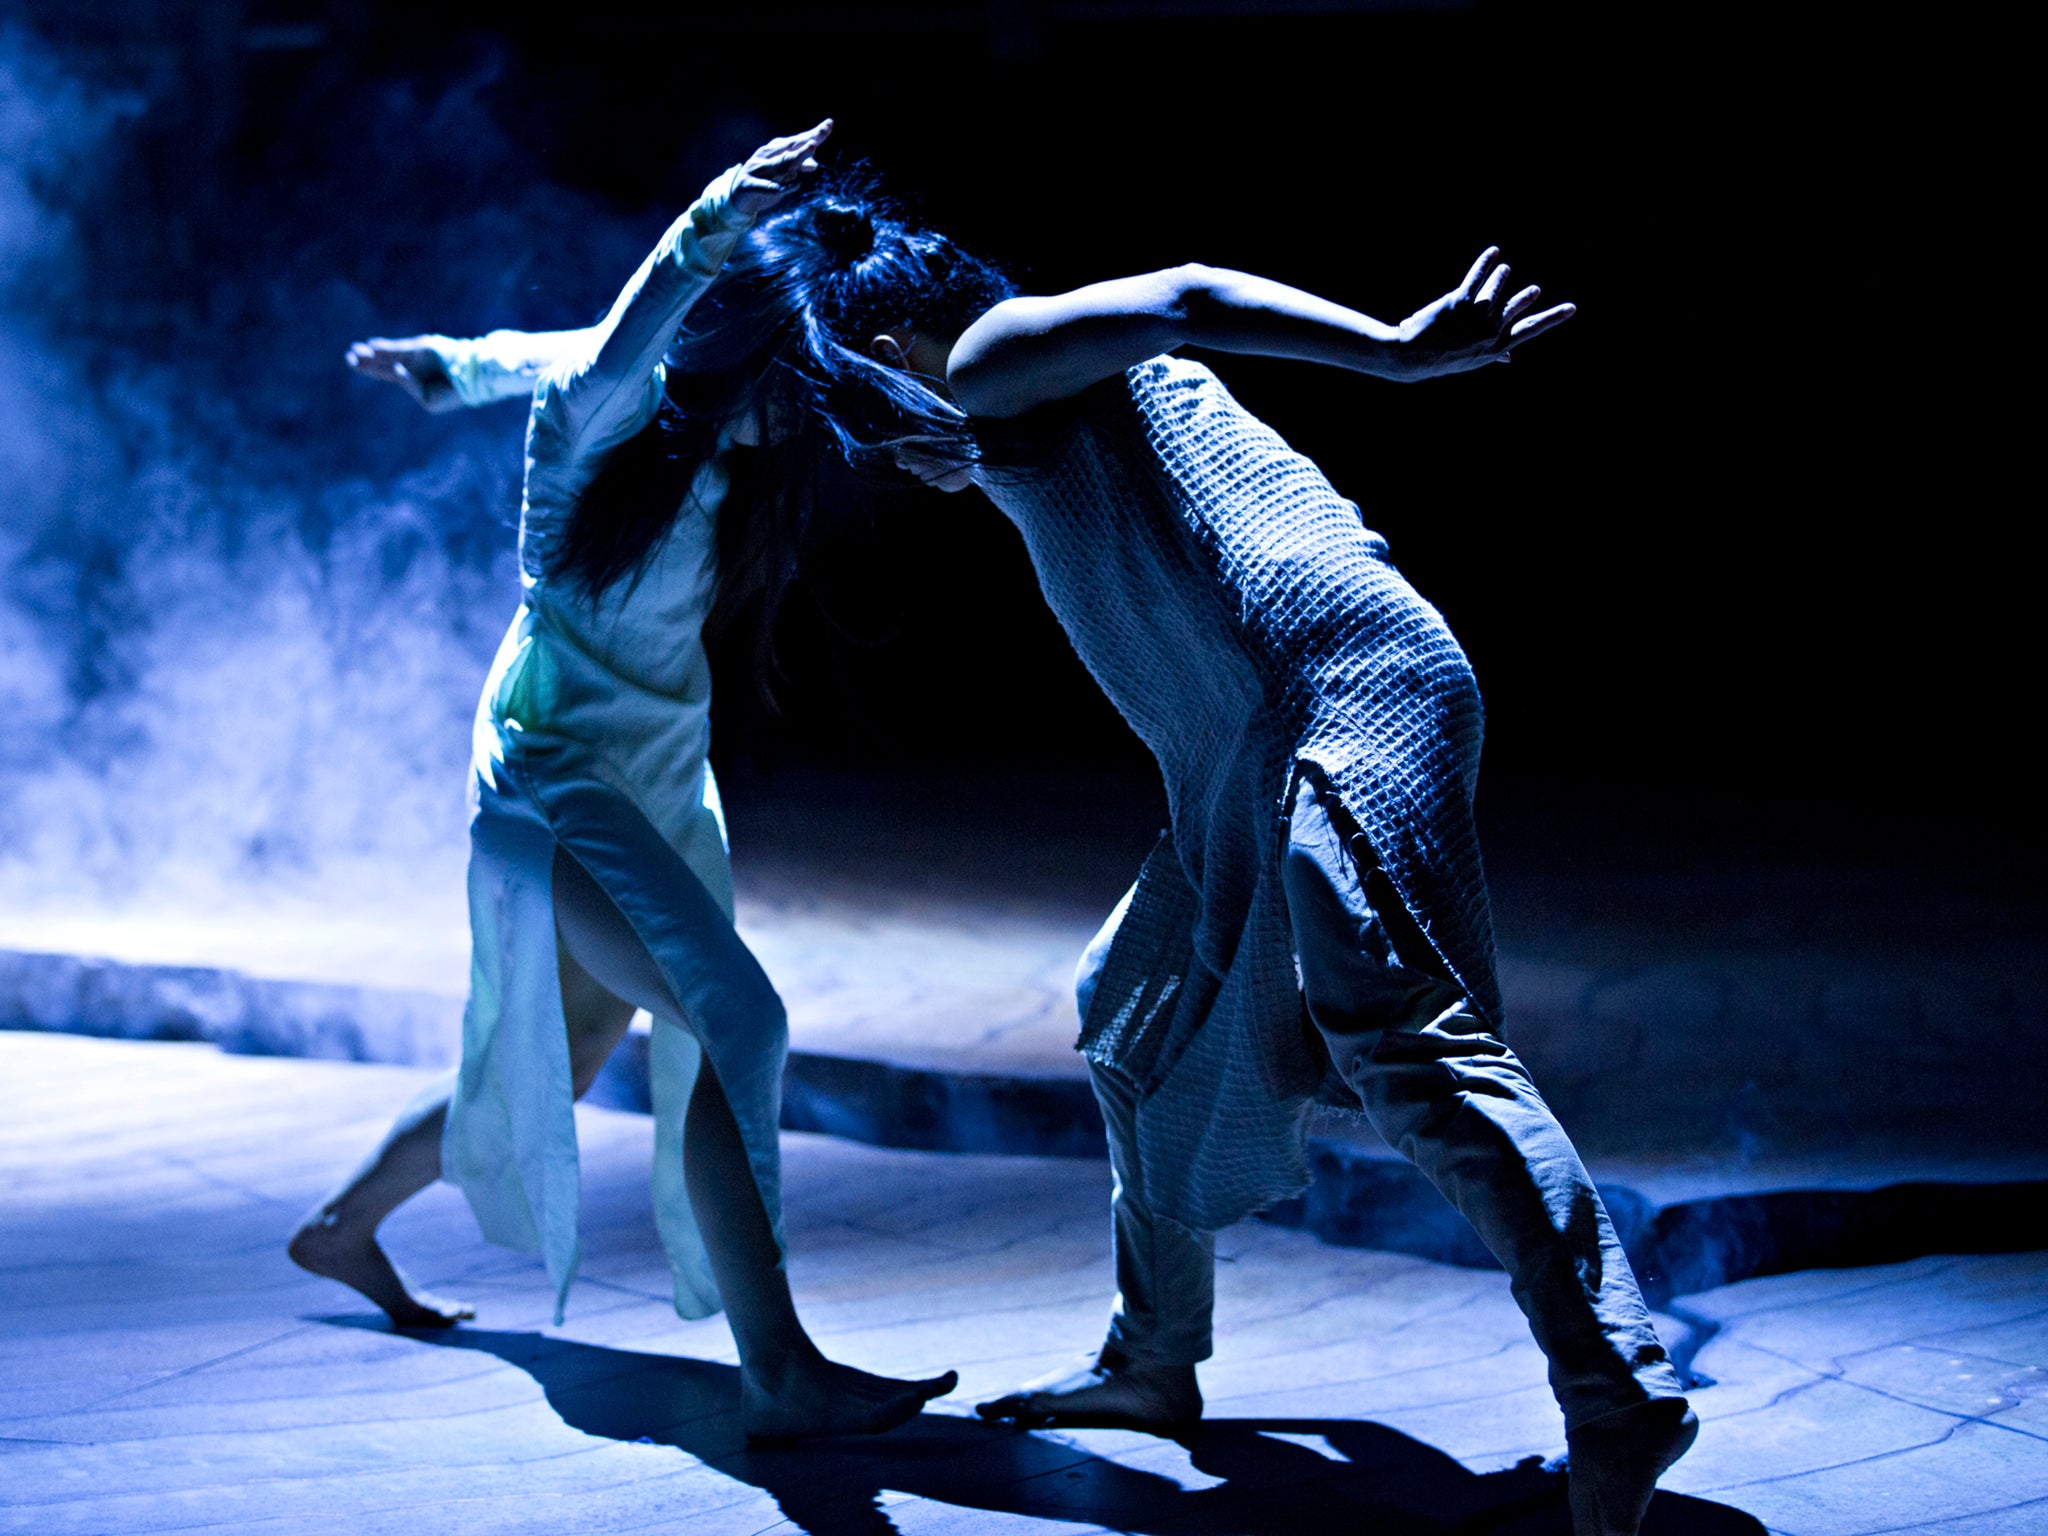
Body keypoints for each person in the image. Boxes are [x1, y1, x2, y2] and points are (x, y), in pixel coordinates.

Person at [738, 177, 1695, 1534]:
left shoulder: (989, 354)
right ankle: (1149, 1362)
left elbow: (1185, 289)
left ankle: (1618, 1389)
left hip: (1344, 692)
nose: (883, 462)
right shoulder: (1015, 408)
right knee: (1128, 1016)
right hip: (1244, 753)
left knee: (1405, 1042)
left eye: (868, 428)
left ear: (890, 355)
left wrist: (1400, 351)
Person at [289, 122, 956, 1442]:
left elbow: (560, 349)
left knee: (579, 1049)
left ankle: (340, 1227)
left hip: (659, 784)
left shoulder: (723, 438)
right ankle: (781, 1371)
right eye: (793, 367)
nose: (802, 403)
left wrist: (943, 442)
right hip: (555, 787)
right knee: (729, 1015)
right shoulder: (597, 420)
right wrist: (717, 213)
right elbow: (595, 349)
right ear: (735, 347)